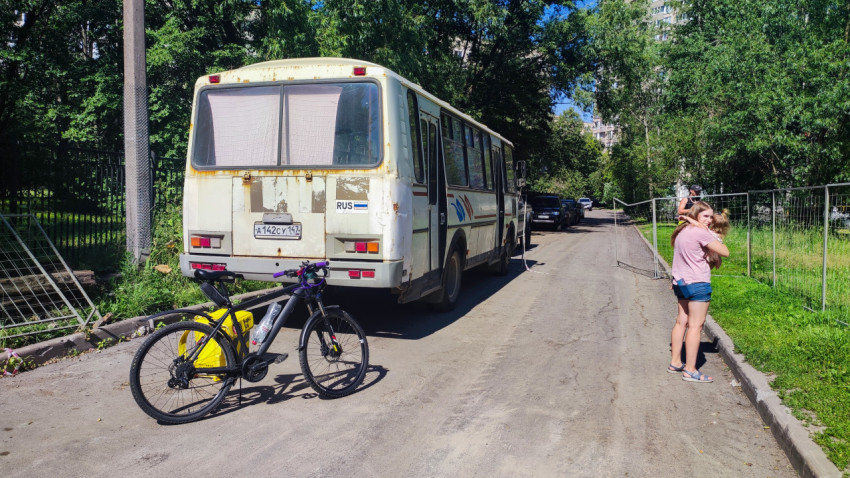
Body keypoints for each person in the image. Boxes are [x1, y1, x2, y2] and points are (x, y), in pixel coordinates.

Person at [667, 201, 729, 383]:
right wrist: (710, 234)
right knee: (696, 326)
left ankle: (675, 362)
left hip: (680, 283)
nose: (709, 220)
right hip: (697, 283)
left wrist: (692, 222)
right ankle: (691, 370)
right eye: (705, 216)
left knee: (681, 322)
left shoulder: (681, 232)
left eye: (711, 216)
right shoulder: (701, 232)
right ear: (695, 216)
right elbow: (725, 252)